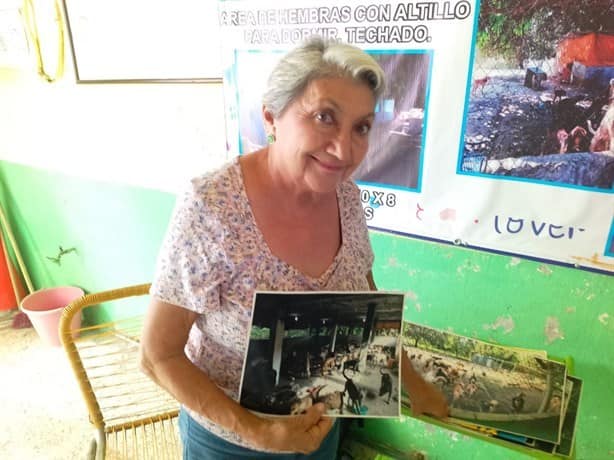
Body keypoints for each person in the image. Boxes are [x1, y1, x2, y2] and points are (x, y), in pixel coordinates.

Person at [140, 36, 448, 459]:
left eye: (360, 127)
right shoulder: (211, 208)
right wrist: (259, 433)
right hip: (232, 443)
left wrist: (411, 382)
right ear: (271, 116)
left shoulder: (346, 197)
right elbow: (157, 355)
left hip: (322, 427)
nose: (344, 149)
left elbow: (363, 298)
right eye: (324, 117)